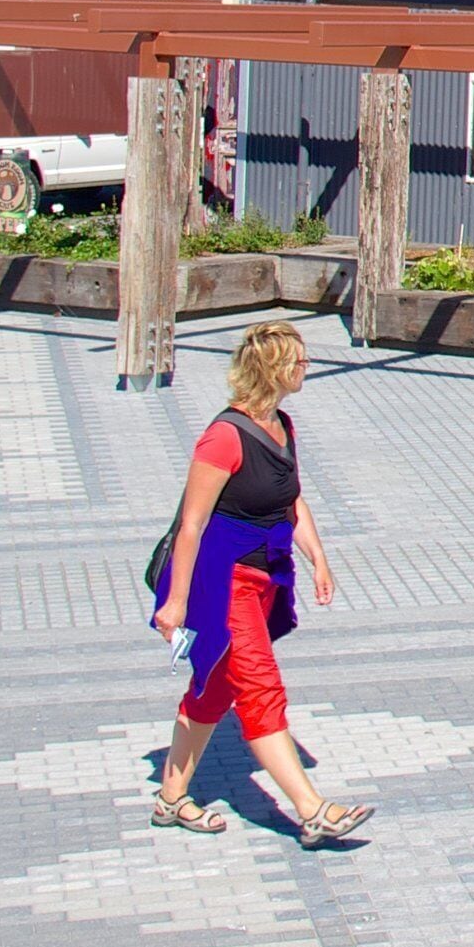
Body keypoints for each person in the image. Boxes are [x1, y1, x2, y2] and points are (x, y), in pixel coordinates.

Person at [150, 320, 371, 847]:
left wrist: (317, 557)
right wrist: (175, 603)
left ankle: (171, 798)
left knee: (218, 686)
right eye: (299, 359)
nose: (306, 366)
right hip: (224, 582)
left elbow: (292, 498)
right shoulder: (223, 436)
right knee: (260, 689)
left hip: (266, 575)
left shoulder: (282, 426)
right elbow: (191, 527)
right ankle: (313, 810)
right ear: (273, 367)